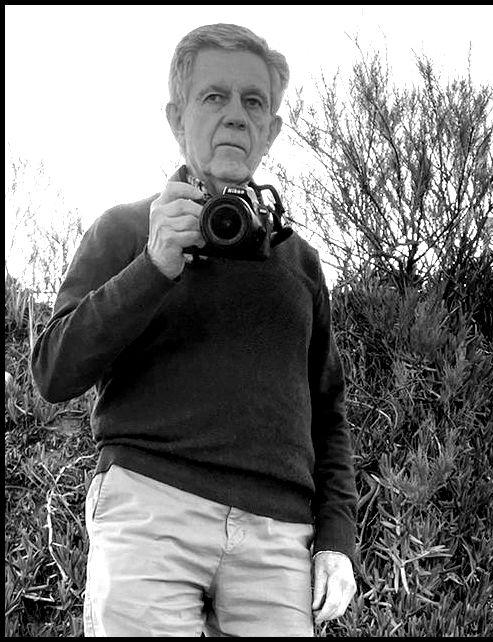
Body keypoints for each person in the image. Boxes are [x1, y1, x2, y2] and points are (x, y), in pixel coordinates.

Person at [31, 23, 358, 637]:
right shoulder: (127, 230)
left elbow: (328, 413)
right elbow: (53, 372)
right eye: (214, 96)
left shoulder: (301, 263)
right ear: (176, 117)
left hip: (278, 539)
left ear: (271, 131)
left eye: (253, 102)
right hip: (150, 512)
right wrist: (152, 266)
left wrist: (337, 538)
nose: (235, 115)